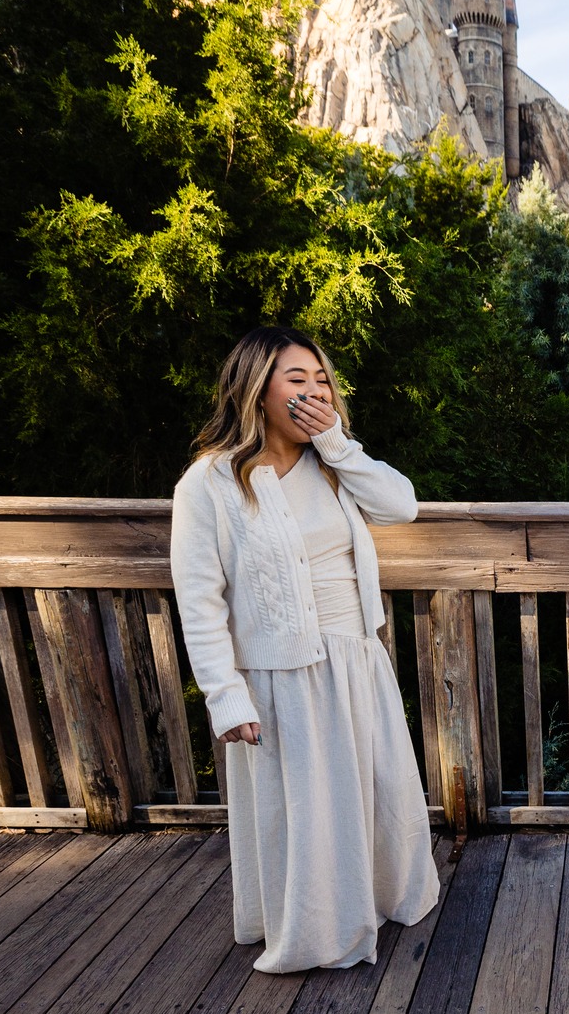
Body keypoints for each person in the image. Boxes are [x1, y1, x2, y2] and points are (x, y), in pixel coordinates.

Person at [171, 327, 439, 974]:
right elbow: (199, 599)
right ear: (256, 390)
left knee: (373, 790)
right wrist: (225, 695)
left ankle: (379, 898)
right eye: (297, 379)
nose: (314, 390)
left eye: (321, 381)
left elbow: (400, 506)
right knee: (306, 812)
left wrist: (336, 442)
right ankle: (318, 928)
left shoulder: (334, 463)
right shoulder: (208, 482)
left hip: (354, 657)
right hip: (277, 674)